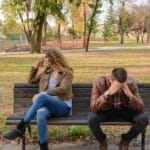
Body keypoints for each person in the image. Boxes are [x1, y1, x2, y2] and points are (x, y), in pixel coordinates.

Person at [3, 48, 73, 150]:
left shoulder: (67, 72)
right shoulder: (46, 73)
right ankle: (43, 146)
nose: (43, 60)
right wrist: (36, 67)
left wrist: (44, 93)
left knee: (42, 96)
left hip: (63, 106)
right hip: (48, 107)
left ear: (53, 59)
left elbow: (63, 89)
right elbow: (30, 81)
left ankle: (21, 127)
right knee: (40, 113)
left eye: (45, 58)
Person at [87, 67, 149, 150]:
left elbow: (140, 107)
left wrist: (130, 95)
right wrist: (107, 93)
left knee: (143, 119)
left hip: (125, 110)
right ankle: (102, 141)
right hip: (106, 110)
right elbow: (93, 107)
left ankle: (125, 140)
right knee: (91, 119)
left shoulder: (131, 83)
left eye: (122, 84)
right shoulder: (99, 82)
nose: (120, 87)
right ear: (110, 80)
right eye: (117, 85)